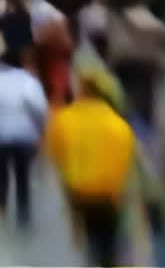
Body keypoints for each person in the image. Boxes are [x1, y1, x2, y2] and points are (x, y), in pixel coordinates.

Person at [45, 71, 139, 266]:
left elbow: (54, 154)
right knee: (109, 238)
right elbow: (126, 165)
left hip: (78, 192)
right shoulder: (119, 126)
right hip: (108, 195)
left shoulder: (63, 119)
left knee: (90, 234)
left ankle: (95, 257)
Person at [0, 50, 47, 224]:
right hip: (25, 135)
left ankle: (2, 207)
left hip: (0, 135)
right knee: (22, 174)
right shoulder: (29, 82)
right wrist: (40, 131)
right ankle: (23, 212)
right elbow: (39, 109)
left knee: (1, 171)